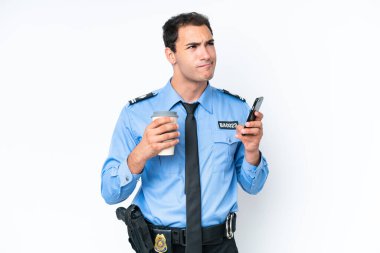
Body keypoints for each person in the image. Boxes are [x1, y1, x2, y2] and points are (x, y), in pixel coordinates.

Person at [101, 12, 269, 253]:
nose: (206, 54)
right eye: (193, 46)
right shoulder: (136, 114)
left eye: (209, 43)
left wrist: (252, 151)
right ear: (171, 55)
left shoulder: (236, 109)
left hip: (219, 245)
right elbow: (110, 192)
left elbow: (253, 186)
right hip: (160, 247)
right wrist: (141, 153)